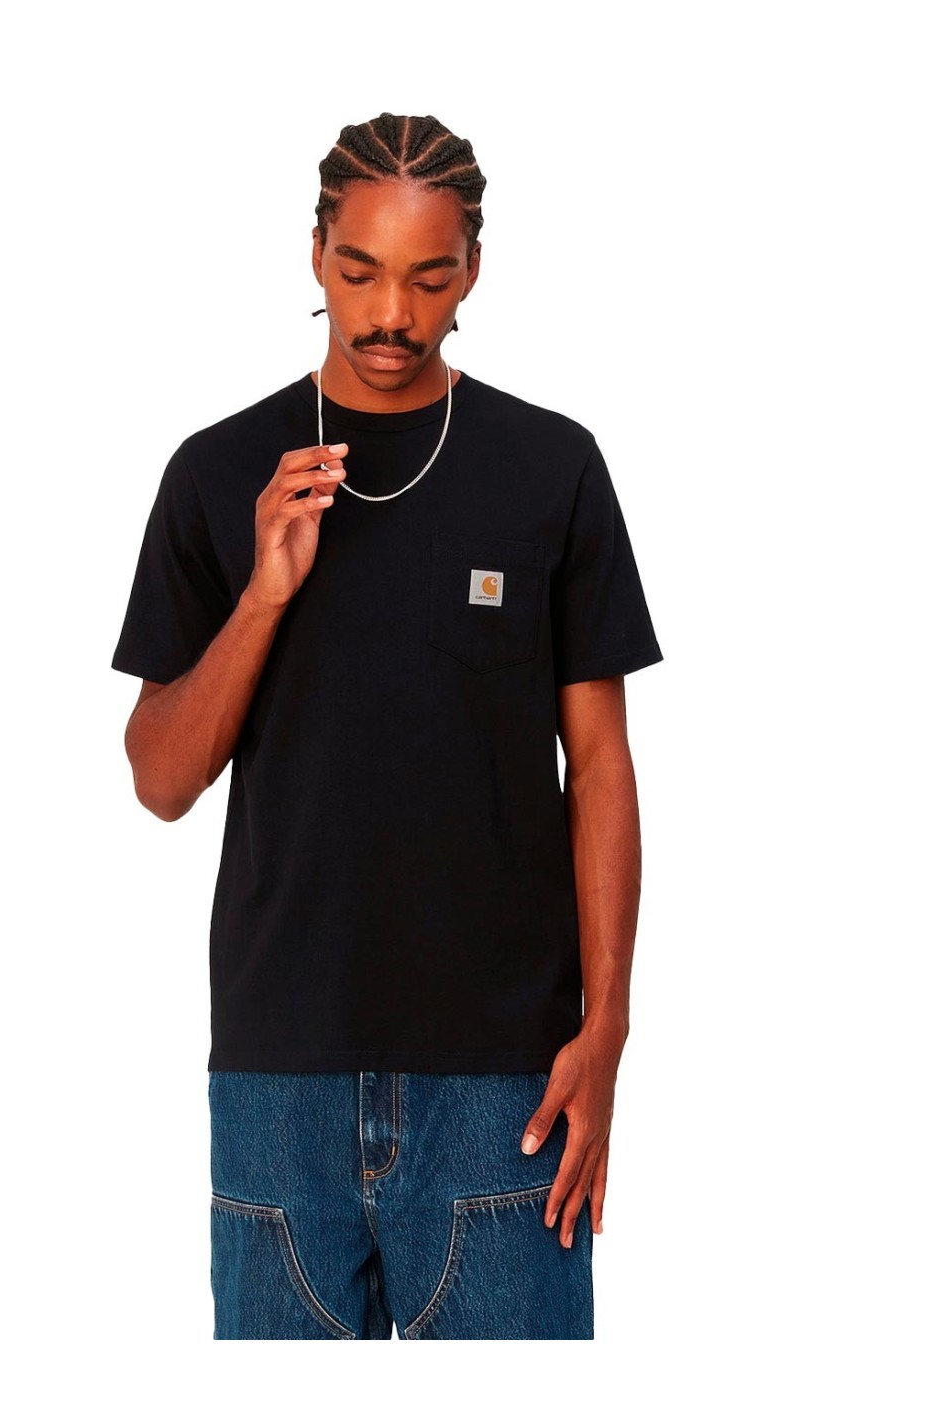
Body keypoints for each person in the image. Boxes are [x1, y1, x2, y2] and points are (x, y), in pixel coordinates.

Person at [110, 112, 664, 1340]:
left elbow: (599, 768)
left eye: (427, 276)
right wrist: (264, 592)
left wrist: (607, 1028)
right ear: (315, 253)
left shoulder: (550, 468)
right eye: (359, 272)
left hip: (506, 1080)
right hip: (278, 1081)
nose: (391, 316)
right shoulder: (217, 472)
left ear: (473, 269)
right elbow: (159, 778)